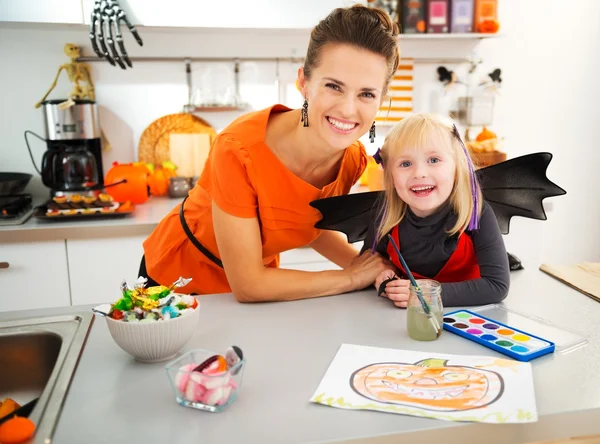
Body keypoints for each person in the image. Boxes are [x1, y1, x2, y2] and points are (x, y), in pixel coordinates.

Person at [140, 4, 401, 302]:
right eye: (333, 86)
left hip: (265, 284)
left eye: (366, 93)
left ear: (381, 99)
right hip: (179, 281)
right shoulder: (237, 150)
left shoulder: (351, 159)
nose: (348, 109)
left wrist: (368, 267)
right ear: (304, 83)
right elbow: (249, 285)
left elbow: (312, 223)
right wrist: (352, 276)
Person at [366, 113, 510, 307]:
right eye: (405, 164)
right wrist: (380, 273)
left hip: (472, 316)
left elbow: (496, 286)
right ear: (391, 175)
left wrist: (425, 294)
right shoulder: (385, 214)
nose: (419, 173)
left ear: (457, 167)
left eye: (434, 160)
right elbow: (367, 262)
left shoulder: (476, 213)